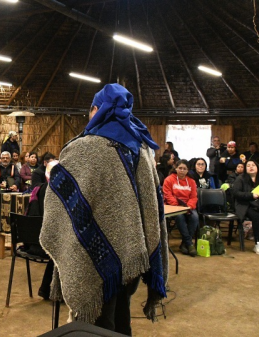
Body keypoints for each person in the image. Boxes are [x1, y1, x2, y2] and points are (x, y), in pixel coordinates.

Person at [40, 83, 168, 334]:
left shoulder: (84, 147)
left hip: (95, 254)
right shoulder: (141, 147)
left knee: (98, 322)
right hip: (133, 250)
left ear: (97, 109)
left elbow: (63, 195)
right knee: (121, 315)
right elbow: (152, 204)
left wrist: (54, 171)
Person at [163, 160, 199, 256]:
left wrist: (189, 207)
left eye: (184, 169)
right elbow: (167, 195)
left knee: (195, 217)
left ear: (188, 170)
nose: (182, 170)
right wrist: (178, 206)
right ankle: (189, 243)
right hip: (174, 206)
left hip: (188, 206)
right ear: (176, 168)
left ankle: (184, 243)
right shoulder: (169, 179)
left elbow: (193, 197)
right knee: (179, 217)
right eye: (180, 168)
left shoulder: (191, 181)